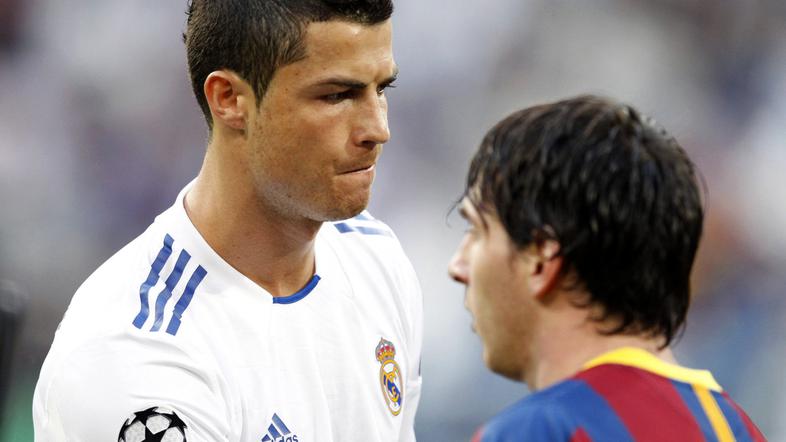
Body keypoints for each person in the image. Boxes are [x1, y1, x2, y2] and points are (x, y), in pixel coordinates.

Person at [33, 1, 422, 441]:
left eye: (382, 89)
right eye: (336, 96)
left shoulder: (377, 258)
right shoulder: (139, 358)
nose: (378, 129)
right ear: (229, 99)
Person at [448, 95, 766, 441]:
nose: (457, 266)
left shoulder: (536, 431)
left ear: (541, 259)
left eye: (477, 231)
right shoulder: (737, 430)